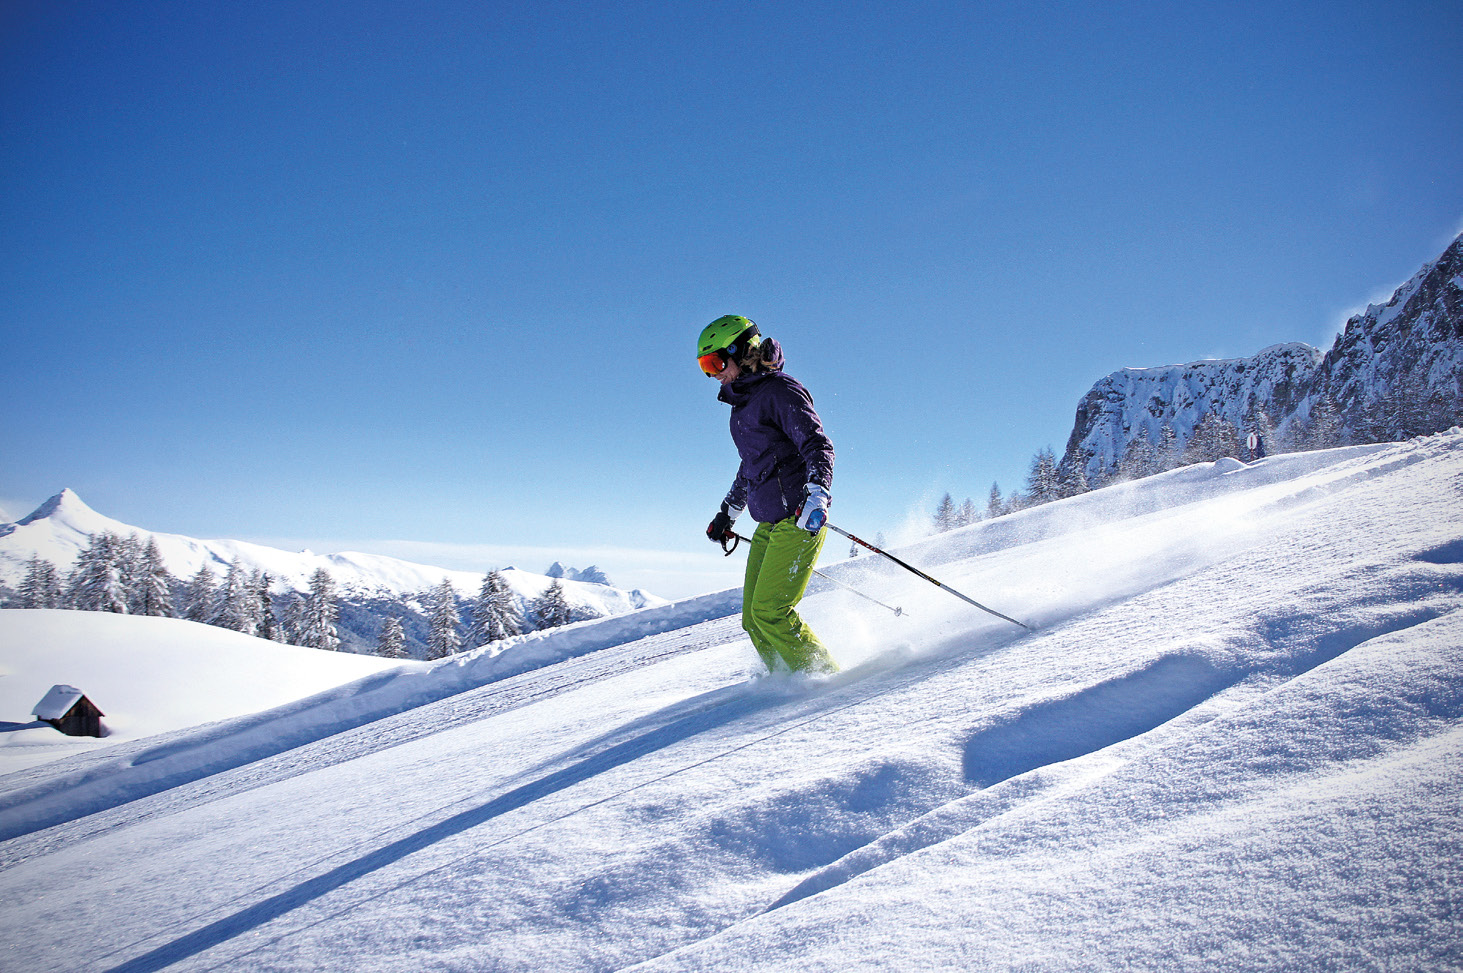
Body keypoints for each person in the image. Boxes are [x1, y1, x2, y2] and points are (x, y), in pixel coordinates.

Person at [698, 315, 838, 675]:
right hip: (767, 524)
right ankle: (785, 685)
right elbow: (750, 466)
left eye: (715, 362)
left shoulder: (780, 391)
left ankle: (825, 683)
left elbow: (817, 444)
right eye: (704, 366)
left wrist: (818, 494)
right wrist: (727, 514)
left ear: (742, 352)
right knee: (752, 619)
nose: (712, 373)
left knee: (771, 613)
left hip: (797, 518)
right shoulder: (741, 409)